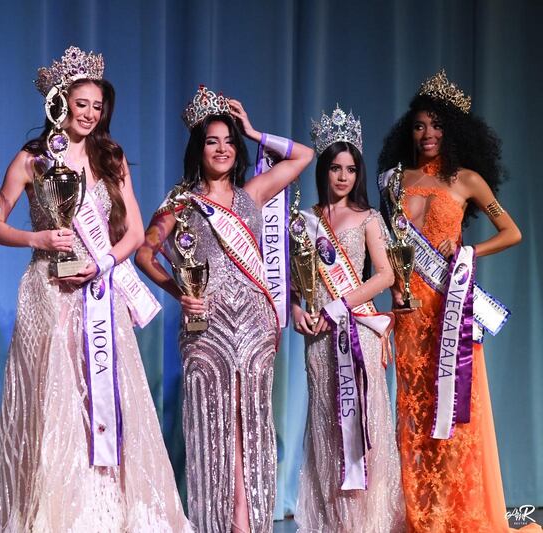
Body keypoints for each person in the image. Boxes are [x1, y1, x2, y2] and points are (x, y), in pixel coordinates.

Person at [0, 46, 189, 532]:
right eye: (82, 104)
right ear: (60, 103)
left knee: (105, 390)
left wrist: (102, 263)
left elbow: (136, 234)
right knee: (54, 395)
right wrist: (35, 238)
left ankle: (108, 507)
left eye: (98, 107)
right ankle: (55, 512)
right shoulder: (32, 160)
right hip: (48, 288)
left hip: (100, 290)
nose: (91, 115)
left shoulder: (109, 158)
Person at [136, 85, 313, 533]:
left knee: (250, 424)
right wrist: (181, 293)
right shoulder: (180, 203)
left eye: (229, 141)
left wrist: (254, 131)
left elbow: (303, 157)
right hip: (206, 330)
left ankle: (248, 522)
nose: (222, 149)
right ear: (199, 148)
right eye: (212, 140)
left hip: (255, 327)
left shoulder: (252, 193)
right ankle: (218, 522)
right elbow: (144, 254)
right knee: (213, 427)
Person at [378, 70, 536, 532]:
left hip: (451, 311)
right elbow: (389, 251)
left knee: (454, 417)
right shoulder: (394, 182)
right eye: (420, 125)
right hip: (409, 312)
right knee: (415, 415)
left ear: (454, 130)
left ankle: (453, 517)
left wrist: (468, 251)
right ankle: (421, 517)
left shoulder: (468, 180)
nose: (428, 134)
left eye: (438, 125)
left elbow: (512, 232)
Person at [291, 106, 404, 532]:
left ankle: (366, 521)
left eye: (351, 169)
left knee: (362, 421)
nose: (343, 177)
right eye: (336, 168)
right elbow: (293, 280)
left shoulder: (369, 219)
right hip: (318, 337)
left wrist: (340, 306)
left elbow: (387, 275)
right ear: (323, 169)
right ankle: (332, 521)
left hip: (357, 329)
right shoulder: (306, 222)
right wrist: (297, 310)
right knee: (326, 423)